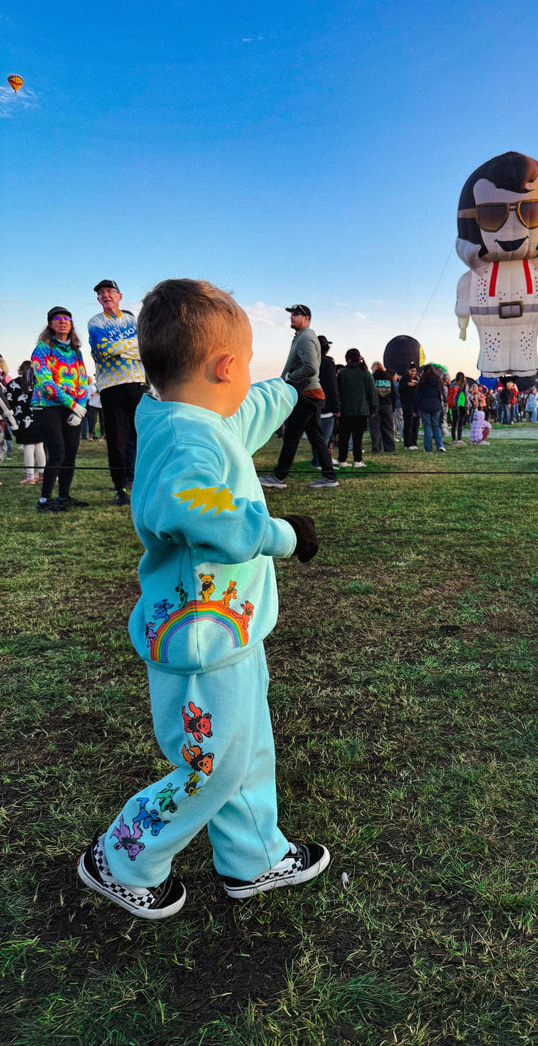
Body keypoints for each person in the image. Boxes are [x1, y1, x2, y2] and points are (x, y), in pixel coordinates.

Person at [76, 278, 330, 919]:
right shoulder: (188, 442)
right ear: (225, 367)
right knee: (209, 763)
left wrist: (287, 385)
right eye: (246, 368)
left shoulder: (182, 415)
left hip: (229, 632)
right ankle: (123, 857)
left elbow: (239, 416)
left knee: (247, 746)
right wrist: (278, 533)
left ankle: (253, 856)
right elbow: (196, 505)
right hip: (197, 641)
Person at [260, 305, 338, 488]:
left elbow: (311, 367)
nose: (292, 317)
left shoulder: (306, 337)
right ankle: (329, 477)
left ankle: (279, 477)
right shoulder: (303, 337)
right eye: (291, 314)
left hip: (307, 394)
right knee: (316, 437)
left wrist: (289, 378)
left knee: (291, 436)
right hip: (312, 394)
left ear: (307, 318)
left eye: (296, 314)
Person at [88, 279, 147, 506]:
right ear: (98, 299)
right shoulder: (96, 321)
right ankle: (120, 485)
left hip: (136, 382)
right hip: (111, 386)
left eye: (110, 291)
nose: (106, 295)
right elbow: (103, 349)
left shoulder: (132, 319)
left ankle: (141, 478)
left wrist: (123, 349)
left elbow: (144, 347)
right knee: (117, 437)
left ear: (119, 296)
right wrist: (130, 347)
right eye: (101, 293)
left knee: (141, 433)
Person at [31, 308, 90, 511]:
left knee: (71, 453)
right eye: (57, 319)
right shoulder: (43, 348)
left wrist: (79, 407)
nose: (63, 322)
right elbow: (46, 383)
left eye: (67, 319)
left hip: (71, 409)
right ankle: (45, 500)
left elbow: (83, 380)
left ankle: (64, 496)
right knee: (57, 451)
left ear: (71, 325)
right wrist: (72, 404)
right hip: (47, 407)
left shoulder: (76, 352)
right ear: (50, 324)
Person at [335, 348, 378, 467]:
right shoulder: (366, 373)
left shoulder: (342, 373)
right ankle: (357, 460)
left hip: (345, 411)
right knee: (357, 438)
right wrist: (374, 409)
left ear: (347, 359)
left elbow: (337, 393)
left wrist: (337, 408)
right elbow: (372, 393)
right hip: (361, 411)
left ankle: (342, 460)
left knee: (344, 437)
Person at [7, 360, 45, 484]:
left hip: (22, 421)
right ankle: (42, 475)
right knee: (39, 446)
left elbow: (9, 403)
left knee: (28, 447)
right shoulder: (38, 383)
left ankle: (30, 477)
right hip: (39, 418)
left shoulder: (13, 384)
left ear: (20, 370)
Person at [310, 335, 339, 469]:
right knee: (325, 438)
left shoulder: (308, 362)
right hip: (326, 406)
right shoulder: (328, 363)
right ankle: (320, 462)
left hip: (311, 405)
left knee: (315, 437)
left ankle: (317, 460)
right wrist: (336, 407)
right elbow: (332, 387)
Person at [414, 365, 447, 452]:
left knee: (427, 427)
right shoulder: (439, 381)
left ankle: (428, 448)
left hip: (424, 406)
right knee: (436, 426)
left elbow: (417, 396)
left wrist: (415, 409)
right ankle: (440, 445)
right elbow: (443, 394)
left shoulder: (422, 382)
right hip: (436, 405)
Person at [369, 362, 396, 452]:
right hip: (387, 405)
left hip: (375, 405)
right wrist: (393, 406)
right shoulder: (388, 377)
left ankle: (376, 448)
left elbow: (370, 393)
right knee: (388, 427)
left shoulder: (372, 377)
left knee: (375, 428)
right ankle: (390, 448)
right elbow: (393, 393)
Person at [398, 364, 420, 449]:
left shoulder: (417, 379)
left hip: (415, 404)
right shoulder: (404, 379)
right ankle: (408, 443)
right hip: (407, 404)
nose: (413, 373)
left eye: (414, 371)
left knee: (416, 424)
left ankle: (414, 442)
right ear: (408, 370)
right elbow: (400, 391)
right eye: (412, 371)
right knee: (408, 423)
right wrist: (408, 386)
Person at [449, 372, 469, 445]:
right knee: (460, 423)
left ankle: (453, 439)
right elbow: (466, 396)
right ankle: (459, 439)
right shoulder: (463, 385)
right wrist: (467, 407)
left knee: (454, 422)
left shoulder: (452, 384)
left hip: (453, 404)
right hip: (461, 405)